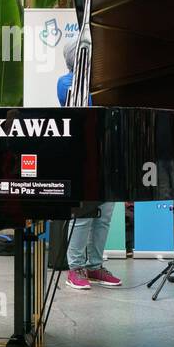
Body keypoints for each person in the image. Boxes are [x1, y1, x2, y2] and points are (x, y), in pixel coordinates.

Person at [58, 39, 122, 289]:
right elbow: (88, 104)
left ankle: (94, 266)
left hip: (108, 154)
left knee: (105, 214)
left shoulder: (103, 83)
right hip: (82, 156)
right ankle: (75, 268)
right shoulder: (67, 82)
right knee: (83, 215)